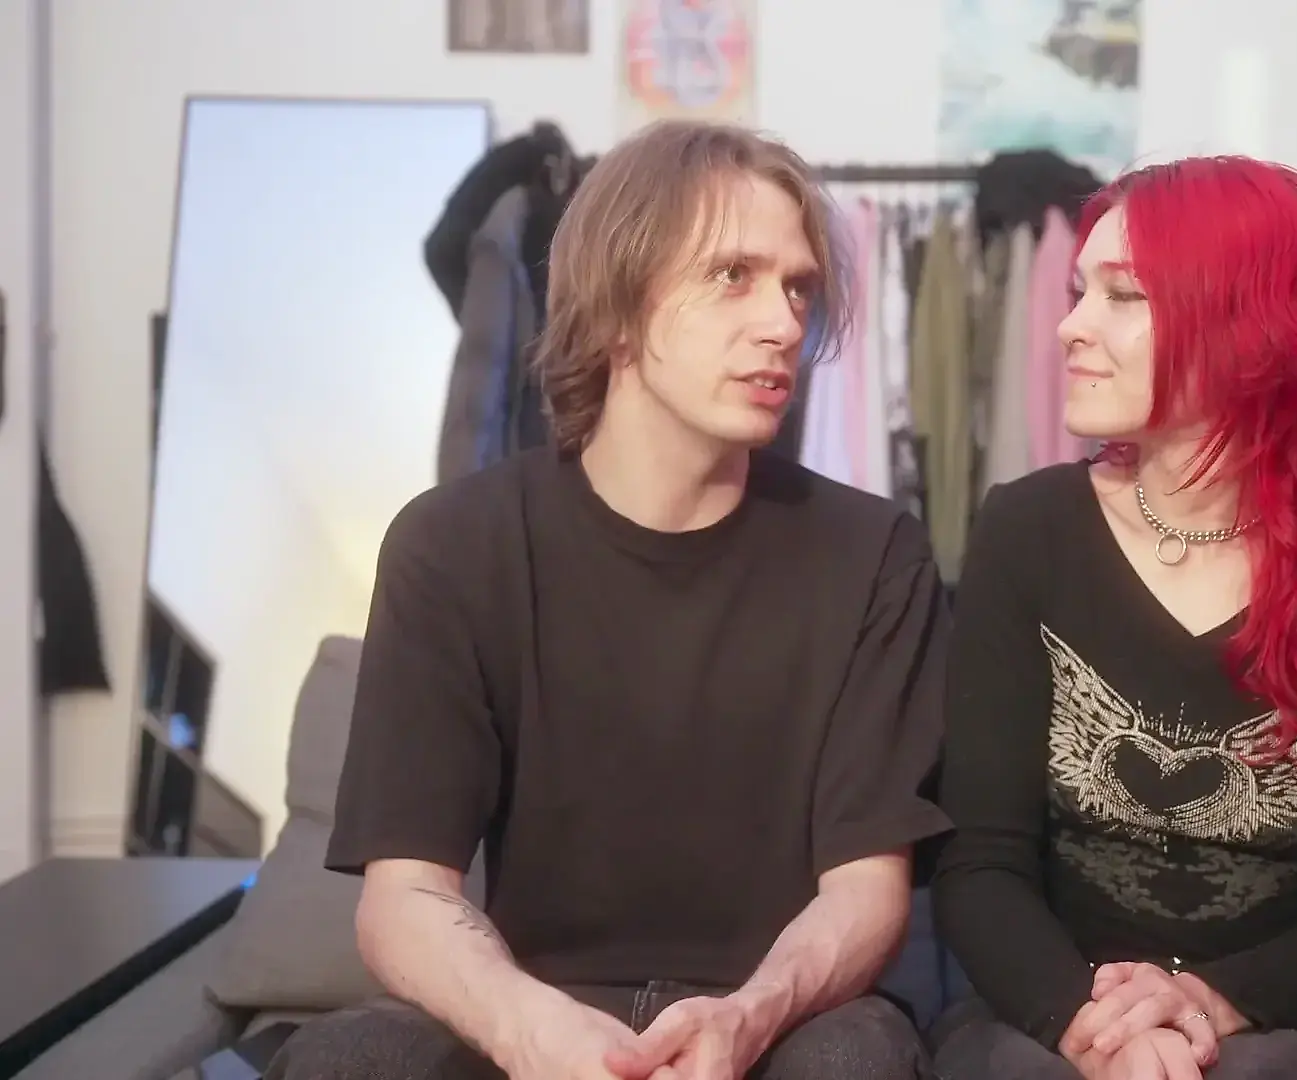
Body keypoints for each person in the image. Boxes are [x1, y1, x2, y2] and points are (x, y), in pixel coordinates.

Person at [268, 120, 951, 1080]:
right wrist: (530, 1029)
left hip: (779, 1020)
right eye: (733, 276)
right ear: (619, 303)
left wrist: (747, 1018)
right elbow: (404, 897)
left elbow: (867, 893)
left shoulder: (875, 555)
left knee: (855, 1061)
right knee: (352, 1059)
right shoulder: (454, 545)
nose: (783, 323)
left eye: (798, 287)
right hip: (536, 1005)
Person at [929, 156, 1297, 1080]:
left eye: (1123, 296)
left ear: (1247, 328)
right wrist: (1096, 1031)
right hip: (1053, 1014)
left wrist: (1204, 1003)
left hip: (1283, 1027)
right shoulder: (1027, 531)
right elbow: (979, 867)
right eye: (1079, 292)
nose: (1069, 327)